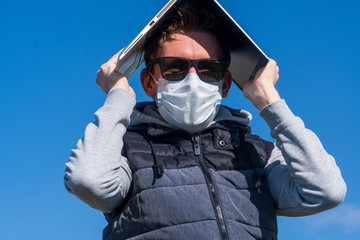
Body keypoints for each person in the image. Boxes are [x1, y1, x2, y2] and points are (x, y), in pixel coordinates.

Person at [64, 3, 346, 240]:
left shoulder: (257, 154)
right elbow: (88, 182)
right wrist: (118, 96)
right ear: (149, 82)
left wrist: (270, 102)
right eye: (175, 67)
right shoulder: (125, 149)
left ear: (224, 84)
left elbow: (325, 191)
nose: (192, 79)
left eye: (208, 68)